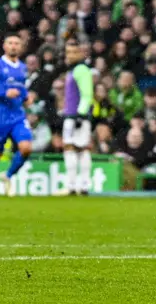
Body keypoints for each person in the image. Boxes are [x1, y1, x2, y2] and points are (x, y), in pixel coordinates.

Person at [0, 34, 33, 204]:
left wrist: (26, 97)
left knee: (26, 148)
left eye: (17, 43)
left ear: (21, 47)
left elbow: (21, 88)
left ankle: (7, 175)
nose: (14, 46)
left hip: (17, 116)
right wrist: (3, 93)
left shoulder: (23, 67)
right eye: (10, 43)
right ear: (4, 46)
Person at [62, 39, 94, 195]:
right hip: (72, 115)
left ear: (81, 53)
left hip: (76, 116)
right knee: (76, 150)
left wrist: (80, 115)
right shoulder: (73, 70)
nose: (70, 55)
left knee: (75, 149)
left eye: (74, 52)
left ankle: (76, 185)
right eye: (68, 52)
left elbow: (87, 94)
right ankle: (78, 185)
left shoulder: (81, 69)